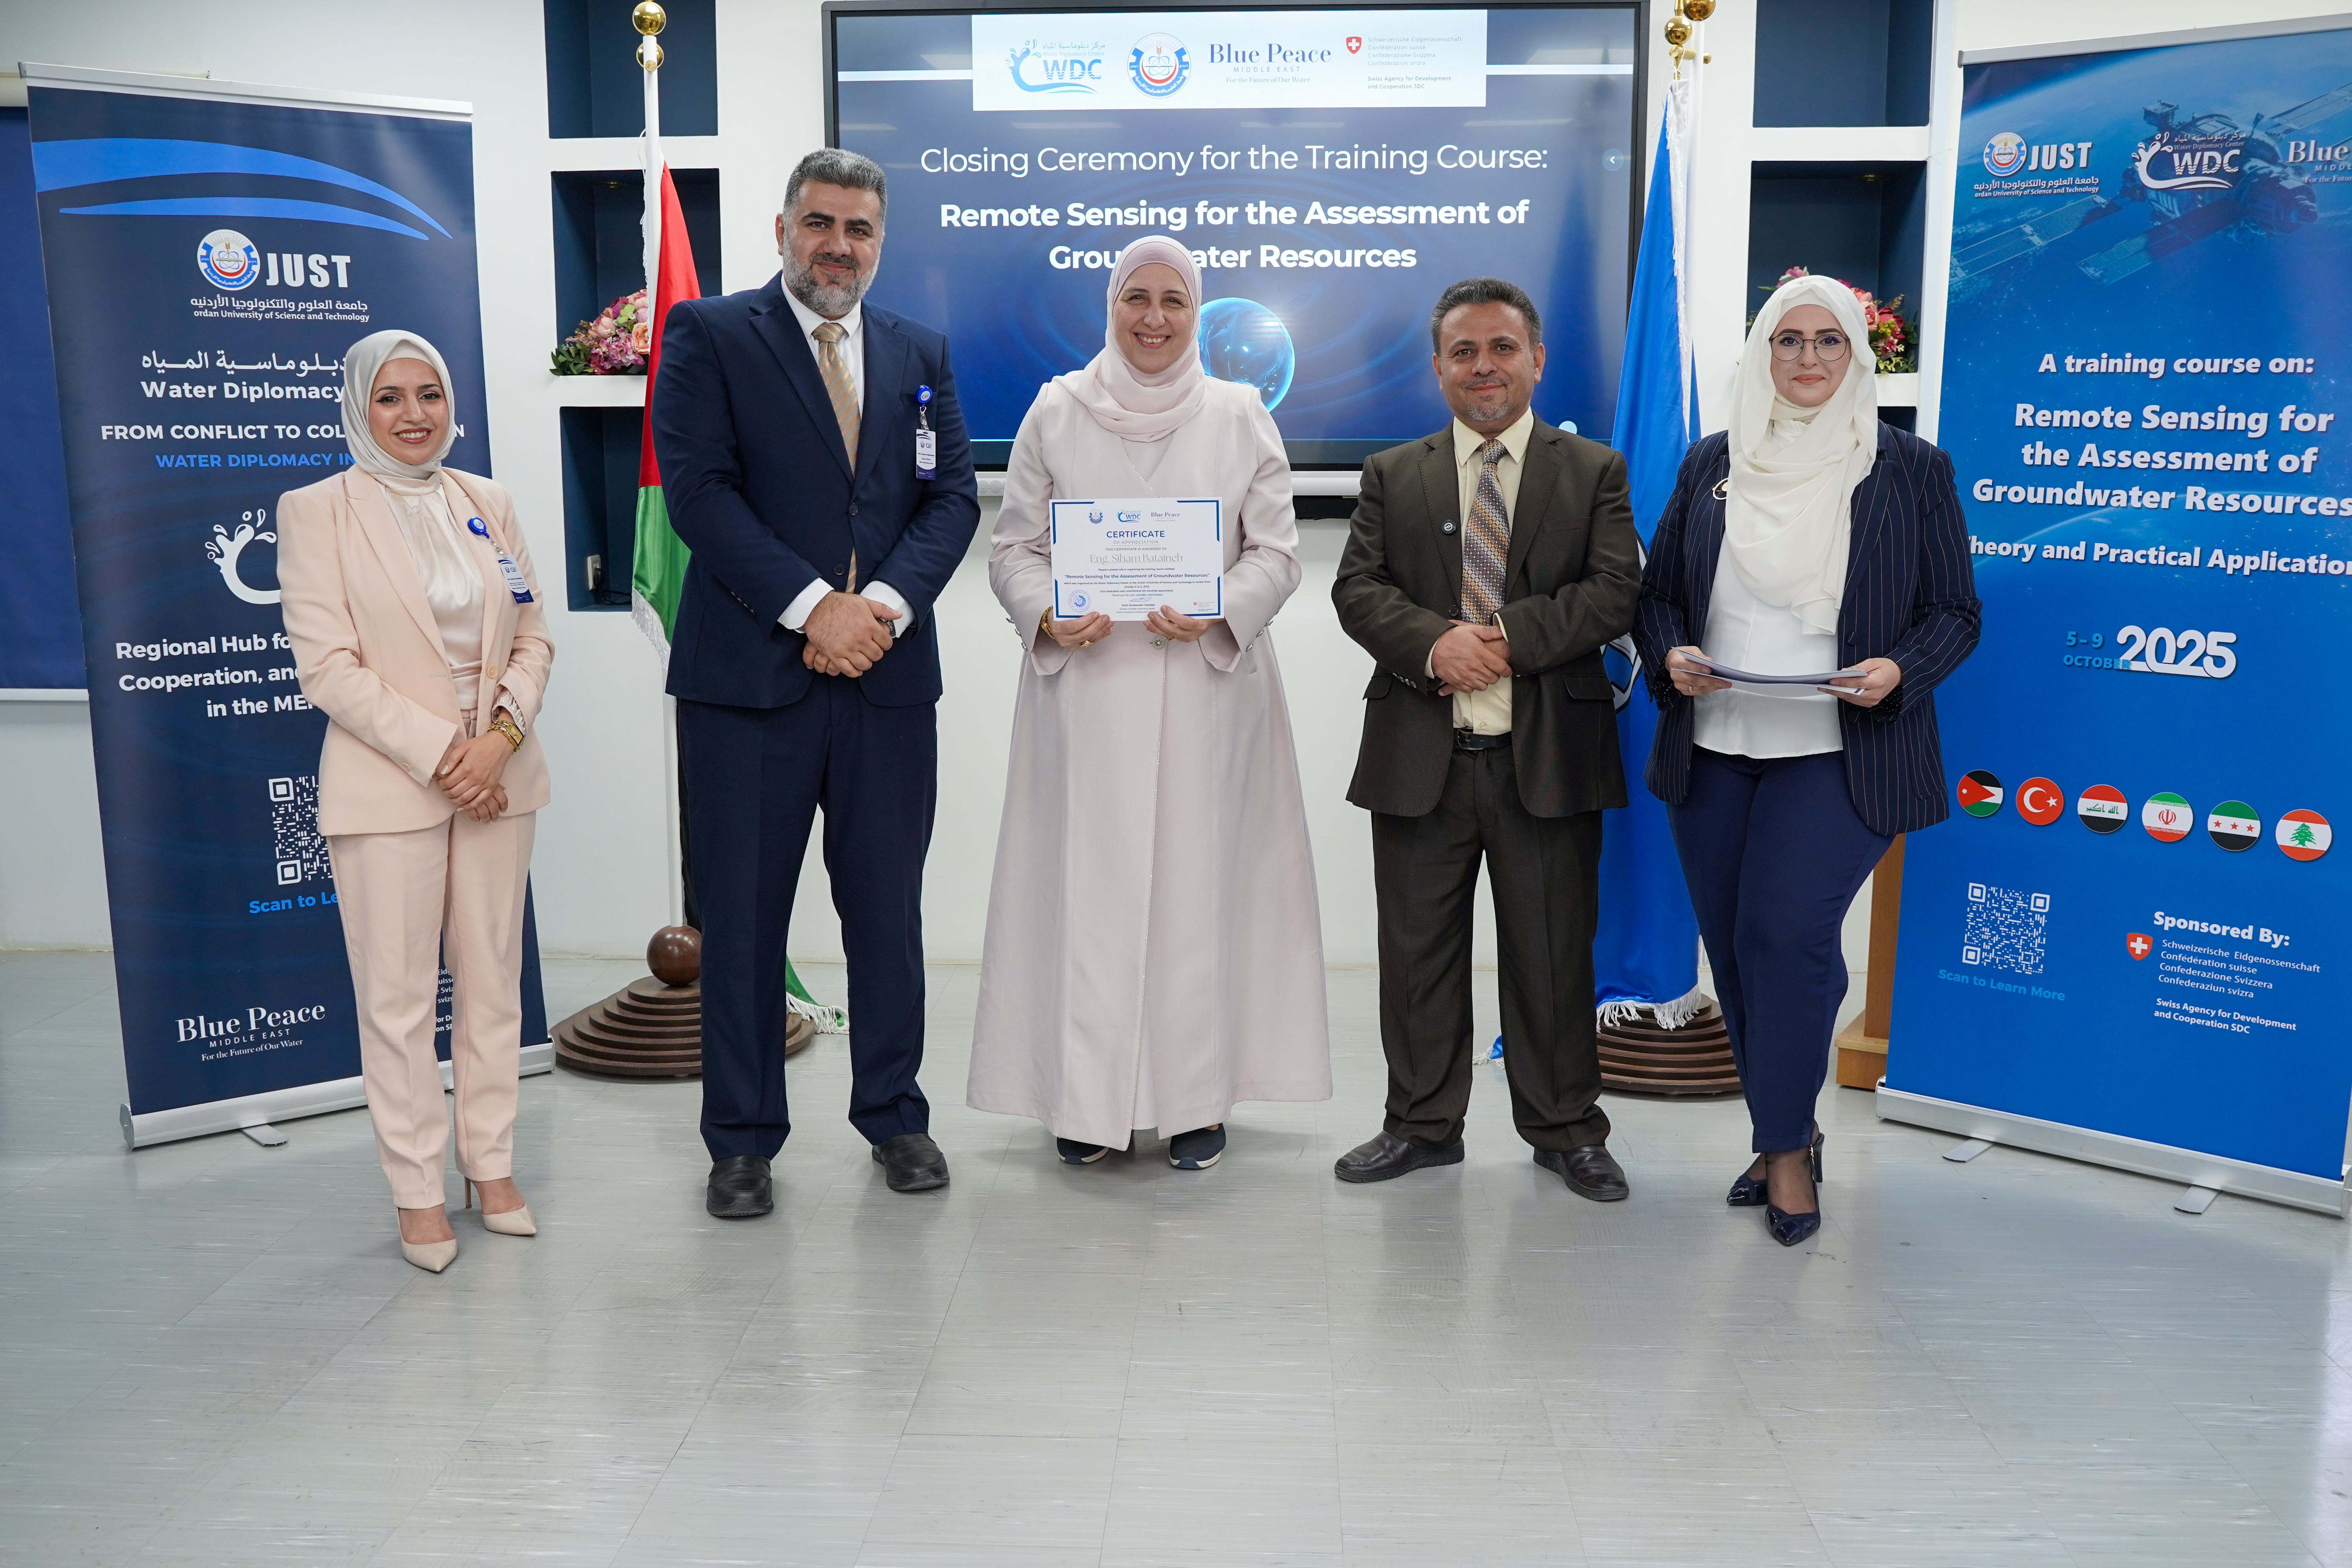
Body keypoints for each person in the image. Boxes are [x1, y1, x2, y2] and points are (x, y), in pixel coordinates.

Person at [651, 147, 980, 1216]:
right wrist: (812, 608)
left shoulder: (920, 351)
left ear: (882, 242)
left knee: (886, 914)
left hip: (886, 680)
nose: (839, 246)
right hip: (748, 685)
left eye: (860, 229)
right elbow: (700, 492)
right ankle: (743, 1142)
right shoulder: (708, 334)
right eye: (821, 223)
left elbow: (950, 500)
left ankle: (896, 1116)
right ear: (784, 228)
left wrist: (876, 609)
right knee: (743, 922)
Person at [969, 237, 1332, 1170]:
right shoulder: (1056, 409)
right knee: (1084, 895)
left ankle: (1193, 1102)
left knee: (1197, 894)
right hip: (1087, 693)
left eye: (1175, 299)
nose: (1156, 317)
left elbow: (1277, 554)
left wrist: (1219, 606)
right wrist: (1046, 611)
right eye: (1138, 297)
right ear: (1112, 305)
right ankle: (1084, 1103)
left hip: (1210, 691)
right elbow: (1013, 550)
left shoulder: (1241, 413)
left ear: (1197, 310)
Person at [1635, 273, 1980, 1246]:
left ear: (1858, 354)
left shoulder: (1911, 468)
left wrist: (1899, 670)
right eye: (1789, 340)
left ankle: (1784, 1147)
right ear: (1763, 352)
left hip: (1843, 745)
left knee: (1784, 935)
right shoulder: (1714, 459)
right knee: (1740, 950)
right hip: (1716, 743)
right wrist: (1670, 653)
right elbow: (1658, 595)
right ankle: (1790, 1121)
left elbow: (1956, 612)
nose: (1809, 358)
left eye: (1830, 340)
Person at [1330, 278, 1641, 1195]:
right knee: (1416, 957)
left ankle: (1565, 1128)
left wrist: (1504, 639)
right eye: (1463, 351)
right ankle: (1422, 1124)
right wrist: (1438, 644)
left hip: (1547, 761)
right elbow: (1358, 590)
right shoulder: (1394, 472)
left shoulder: (1595, 471)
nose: (1484, 367)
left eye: (1502, 348)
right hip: (1420, 758)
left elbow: (1614, 590)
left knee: (1552, 958)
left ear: (1537, 359)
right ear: (1438, 368)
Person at [278, 330, 554, 1273]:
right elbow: (328, 668)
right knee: (397, 998)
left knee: (493, 979)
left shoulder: (487, 500)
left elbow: (533, 636)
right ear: (358, 406)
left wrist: (498, 741)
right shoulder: (318, 510)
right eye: (390, 397)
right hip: (392, 781)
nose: (414, 415)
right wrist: (447, 757)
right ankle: (416, 1188)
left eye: (429, 394)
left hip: (500, 773)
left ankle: (491, 1164)